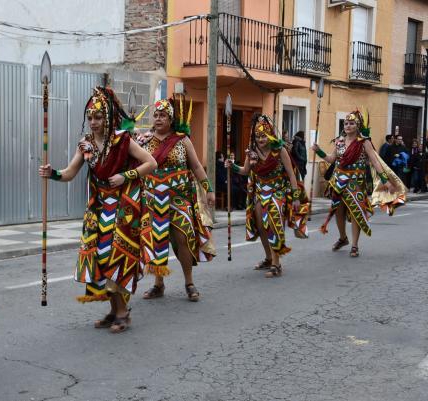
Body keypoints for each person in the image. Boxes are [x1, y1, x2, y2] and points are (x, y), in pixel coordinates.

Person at [39, 87, 156, 333]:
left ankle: (123, 313)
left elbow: (150, 163)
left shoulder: (123, 140)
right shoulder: (85, 145)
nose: (93, 122)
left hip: (125, 208)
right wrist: (53, 174)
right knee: (101, 259)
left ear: (109, 117)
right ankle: (115, 310)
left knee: (117, 256)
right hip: (99, 209)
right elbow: (70, 173)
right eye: (90, 117)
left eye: (98, 117)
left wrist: (126, 176)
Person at [139, 98, 216, 301]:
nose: (158, 119)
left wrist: (208, 189)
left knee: (183, 238)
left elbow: (197, 166)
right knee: (156, 240)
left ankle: (189, 282)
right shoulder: (144, 140)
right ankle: (158, 283)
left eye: (162, 115)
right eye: (155, 115)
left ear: (171, 119)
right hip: (152, 199)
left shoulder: (182, 140)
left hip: (179, 198)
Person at [312, 110, 405, 257]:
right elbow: (331, 159)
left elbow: (375, 162)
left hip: (356, 182)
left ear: (357, 125)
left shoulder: (364, 142)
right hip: (338, 181)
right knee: (338, 211)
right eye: (346, 123)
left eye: (352, 123)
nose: (348, 126)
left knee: (356, 213)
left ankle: (355, 245)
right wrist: (319, 151)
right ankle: (343, 238)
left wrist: (385, 182)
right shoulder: (339, 141)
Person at [226, 114, 308, 278]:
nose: (260, 139)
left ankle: (277, 264)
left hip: (278, 192)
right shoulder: (252, 153)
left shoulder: (280, 150)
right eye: (257, 136)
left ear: (270, 135)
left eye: (263, 136)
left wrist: (296, 196)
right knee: (261, 226)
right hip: (259, 192)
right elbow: (245, 171)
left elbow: (292, 175)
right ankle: (269, 258)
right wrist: (232, 166)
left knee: (273, 223)